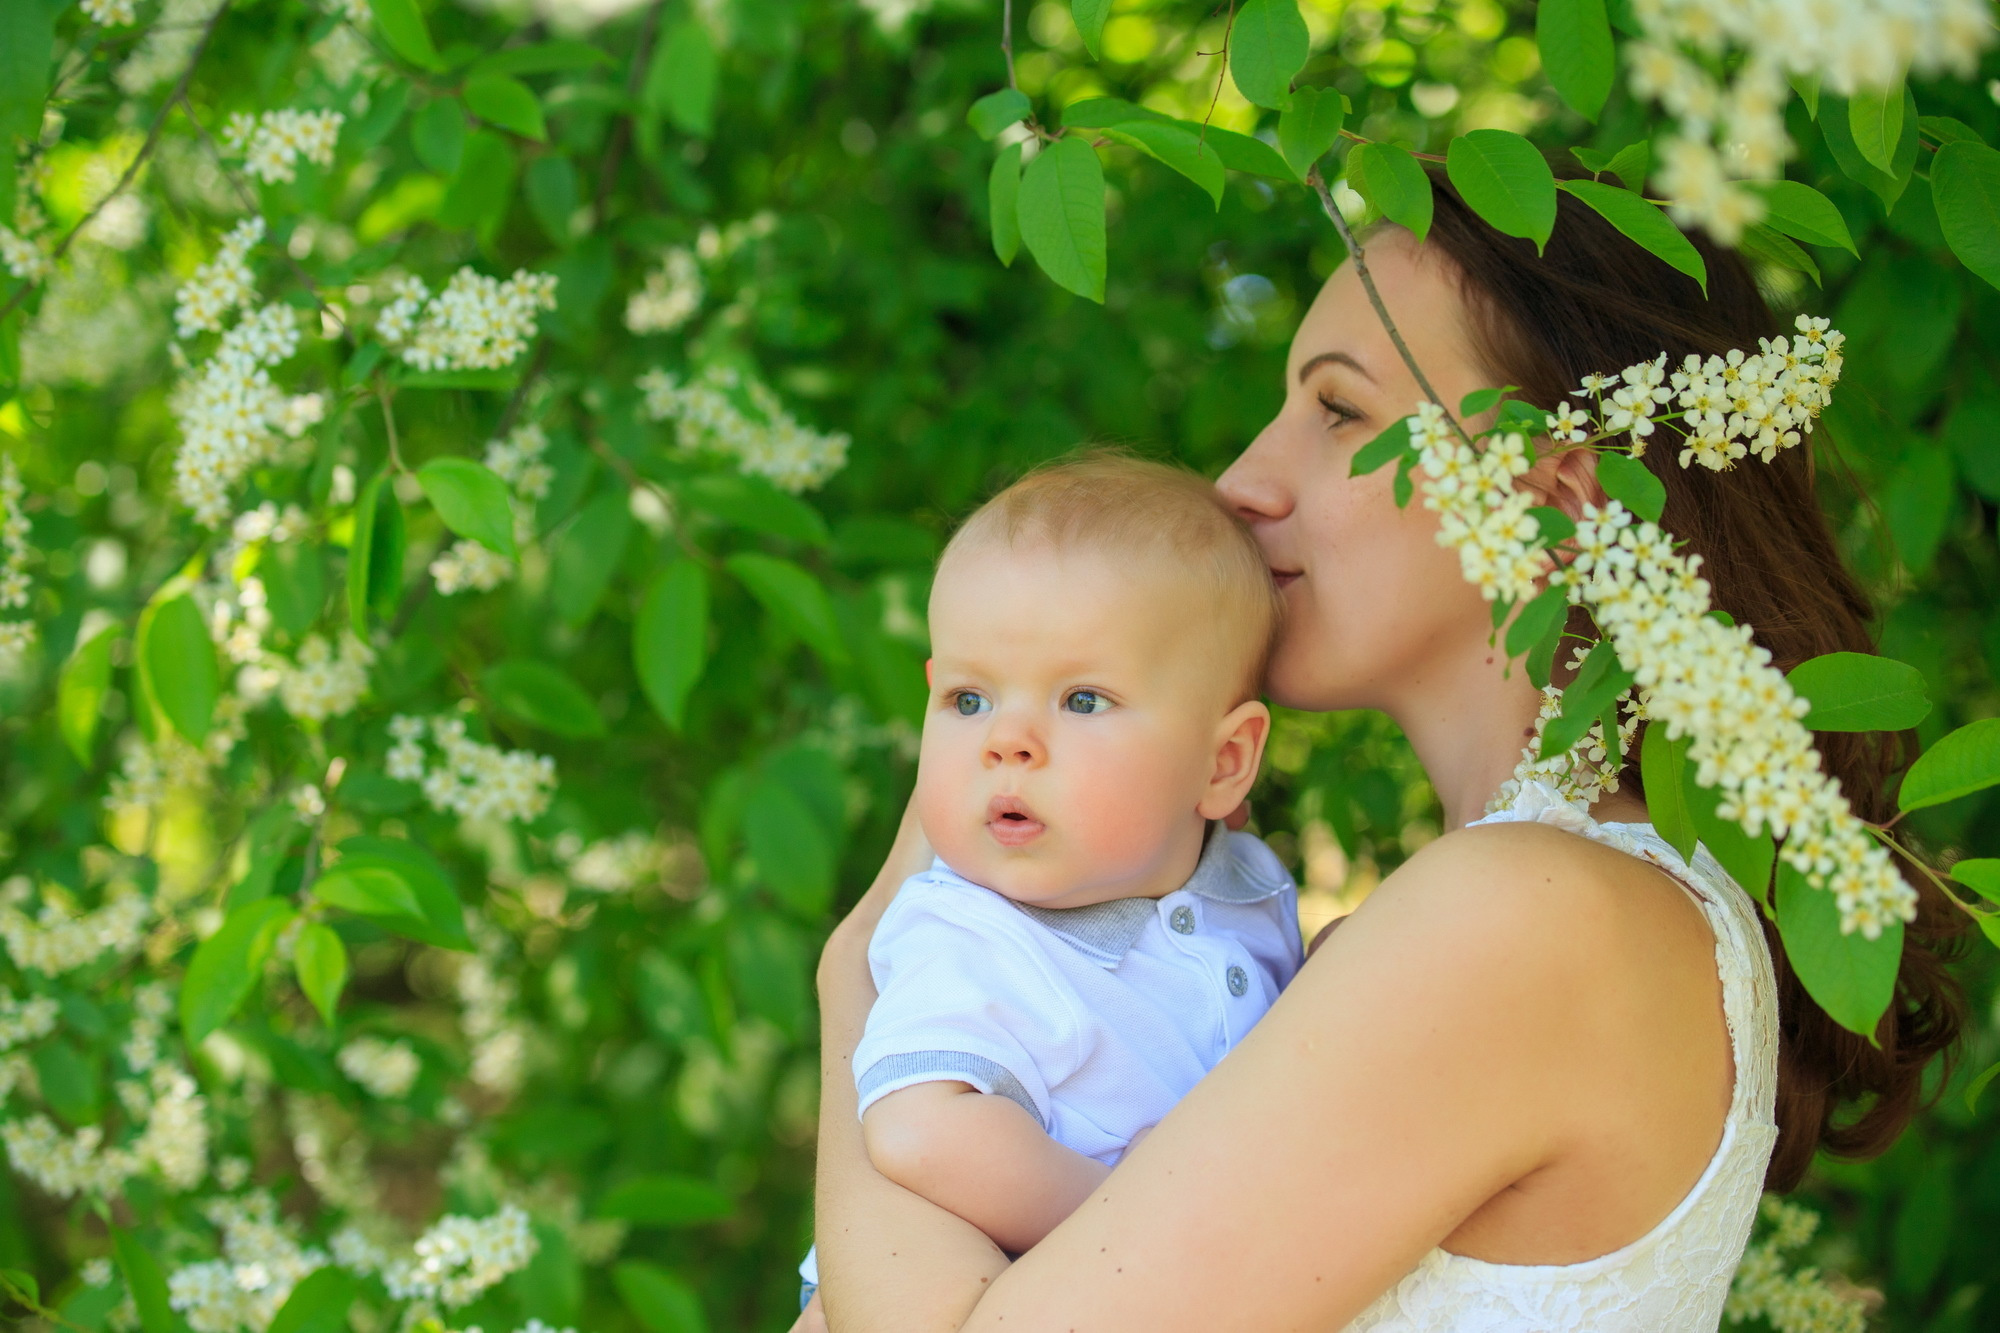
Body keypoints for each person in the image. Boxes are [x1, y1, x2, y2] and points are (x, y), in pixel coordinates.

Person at [798, 175, 1964, 1331]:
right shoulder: (1564, 905)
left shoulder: (1530, 917)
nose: (1241, 482)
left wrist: (862, 969)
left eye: (1337, 411)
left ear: (1558, 499)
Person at [797, 454, 1303, 1305]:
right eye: (967, 700)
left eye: (1081, 700)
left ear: (1223, 763)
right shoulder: (968, 931)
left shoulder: (1251, 887)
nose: (1008, 740)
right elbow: (922, 1131)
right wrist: (1133, 1219)